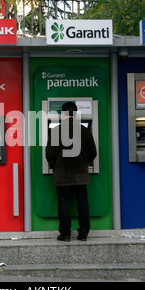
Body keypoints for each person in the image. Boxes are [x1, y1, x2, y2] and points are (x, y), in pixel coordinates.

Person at [46, 102, 97, 242]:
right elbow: (93, 152)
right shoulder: (85, 131)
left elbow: (50, 153)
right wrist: (84, 163)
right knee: (83, 203)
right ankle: (83, 234)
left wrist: (55, 165)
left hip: (62, 174)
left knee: (63, 203)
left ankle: (65, 234)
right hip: (80, 174)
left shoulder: (56, 130)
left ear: (63, 114)